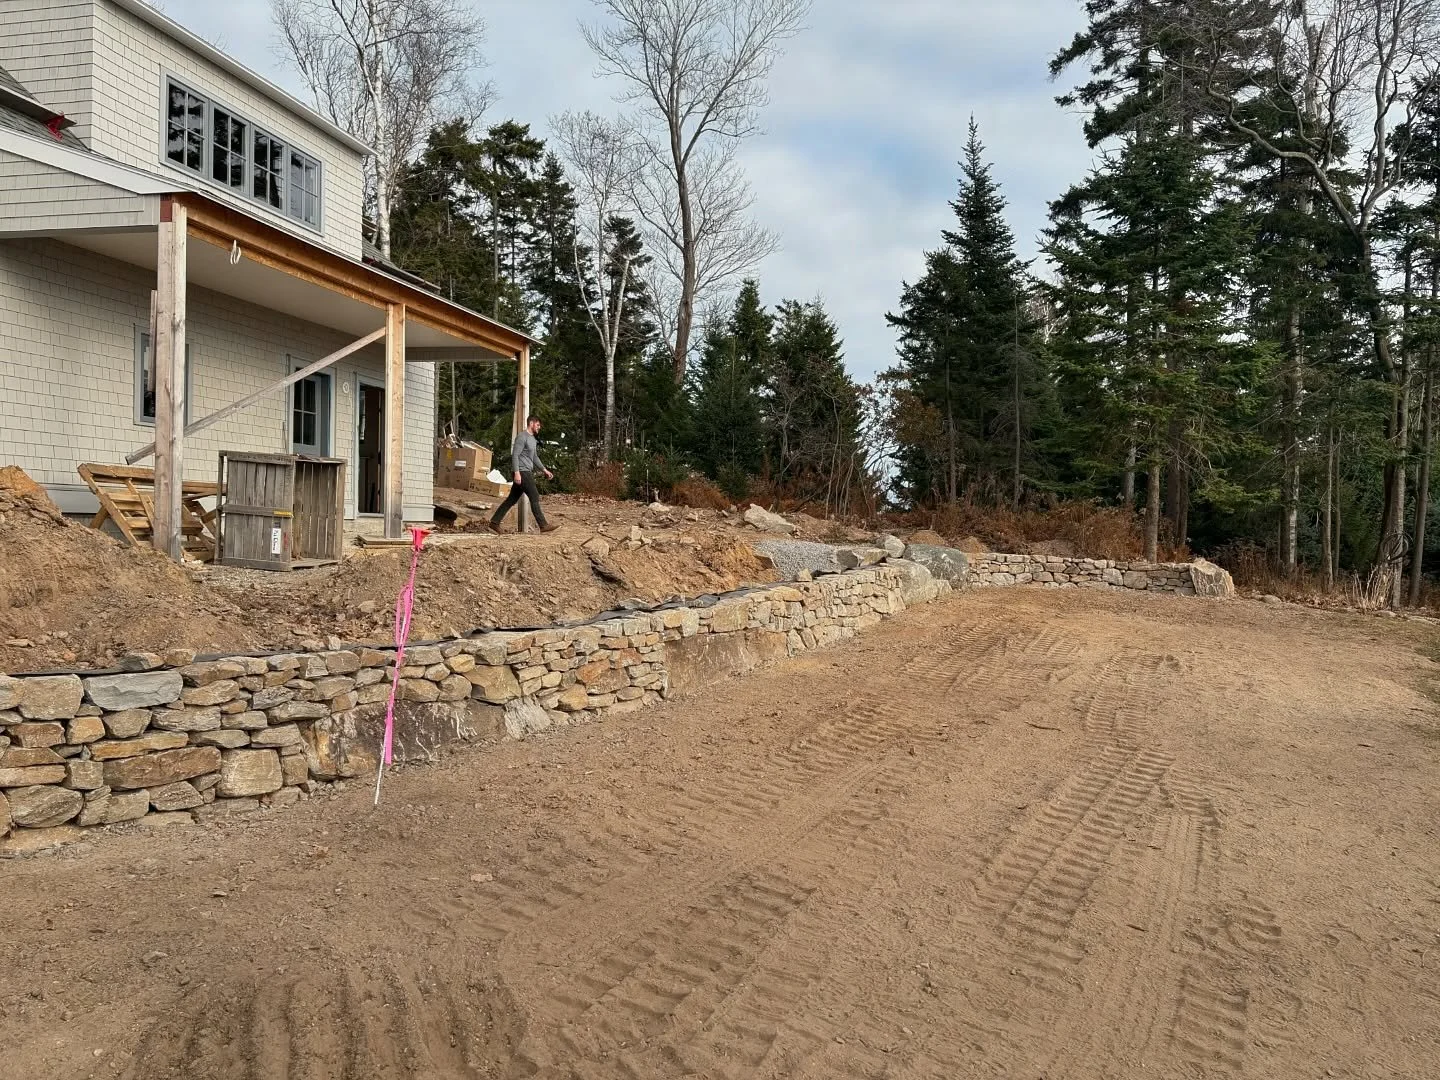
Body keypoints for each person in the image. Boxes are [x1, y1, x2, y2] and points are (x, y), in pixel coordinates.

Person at [488, 416, 559, 534]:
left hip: (525, 471)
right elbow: (515, 455)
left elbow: (534, 457)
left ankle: (494, 522)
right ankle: (543, 525)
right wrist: (516, 473)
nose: (539, 427)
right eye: (538, 425)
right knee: (534, 496)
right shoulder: (522, 437)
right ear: (531, 423)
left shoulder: (532, 439)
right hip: (521, 471)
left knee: (511, 499)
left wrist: (544, 470)